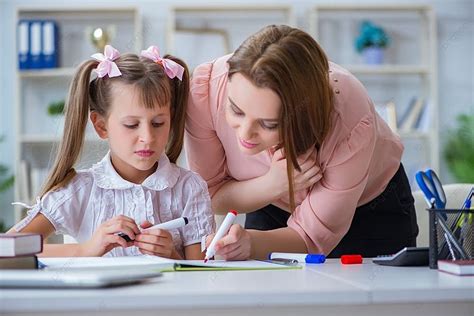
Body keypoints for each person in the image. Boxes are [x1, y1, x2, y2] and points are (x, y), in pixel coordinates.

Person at [185, 25, 418, 260]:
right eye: (235, 110)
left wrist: (251, 243)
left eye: (268, 124)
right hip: (268, 202)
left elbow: (310, 236)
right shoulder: (207, 90)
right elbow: (209, 195)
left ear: (301, 116)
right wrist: (273, 184)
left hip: (370, 213)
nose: (245, 134)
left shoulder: (349, 120)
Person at [9, 45, 215, 259]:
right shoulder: (80, 190)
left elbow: (204, 274)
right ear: (101, 126)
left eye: (158, 123)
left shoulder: (189, 189)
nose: (148, 137)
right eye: (131, 125)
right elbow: (7, 250)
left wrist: (172, 254)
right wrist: (86, 249)